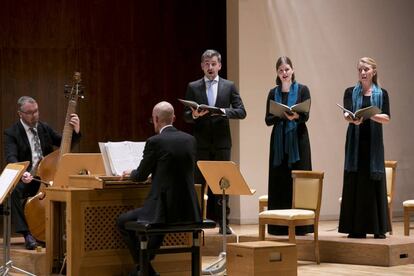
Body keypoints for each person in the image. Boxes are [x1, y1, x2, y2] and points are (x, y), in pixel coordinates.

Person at [117, 101, 201, 276]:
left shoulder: (155, 141)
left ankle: (143, 268)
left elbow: (139, 176)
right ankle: (145, 268)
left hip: (164, 210)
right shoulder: (190, 140)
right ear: (174, 118)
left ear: (155, 119)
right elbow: (174, 168)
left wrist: (130, 173)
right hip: (188, 210)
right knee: (157, 220)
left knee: (123, 221)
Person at [3, 96, 81, 250]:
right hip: (28, 178)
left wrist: (76, 131)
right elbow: (11, 157)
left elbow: (64, 144)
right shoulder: (11, 133)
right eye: (30, 113)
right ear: (20, 113)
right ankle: (27, 235)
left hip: (46, 179)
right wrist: (23, 172)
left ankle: (67, 233)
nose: (35, 115)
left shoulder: (44, 128)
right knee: (14, 193)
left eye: (36, 111)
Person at [183, 49, 246, 234]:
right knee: (198, 184)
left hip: (222, 143)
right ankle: (196, 222)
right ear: (202, 66)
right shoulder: (193, 87)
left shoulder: (229, 86)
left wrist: (223, 111)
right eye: (207, 64)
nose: (210, 67)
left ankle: (224, 223)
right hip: (201, 143)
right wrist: (193, 114)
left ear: (219, 65)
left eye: (213, 64)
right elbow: (186, 115)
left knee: (223, 184)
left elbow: (242, 111)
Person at [339, 57, 391, 239]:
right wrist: (351, 117)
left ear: (373, 72)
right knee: (356, 181)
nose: (362, 73)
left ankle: (378, 228)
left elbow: (386, 117)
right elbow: (346, 113)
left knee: (373, 181)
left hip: (373, 143)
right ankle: (356, 228)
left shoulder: (382, 93)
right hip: (355, 142)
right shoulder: (349, 92)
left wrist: (370, 115)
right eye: (360, 69)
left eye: (366, 69)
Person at [265, 56, 313, 235]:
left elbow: (306, 115)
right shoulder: (273, 92)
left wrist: (296, 117)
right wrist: (282, 115)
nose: (284, 73)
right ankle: (278, 227)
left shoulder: (302, 89)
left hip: (298, 141)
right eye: (280, 70)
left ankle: (302, 226)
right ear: (277, 73)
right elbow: (268, 119)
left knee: (299, 181)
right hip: (278, 143)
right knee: (280, 180)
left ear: (292, 70)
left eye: (287, 69)